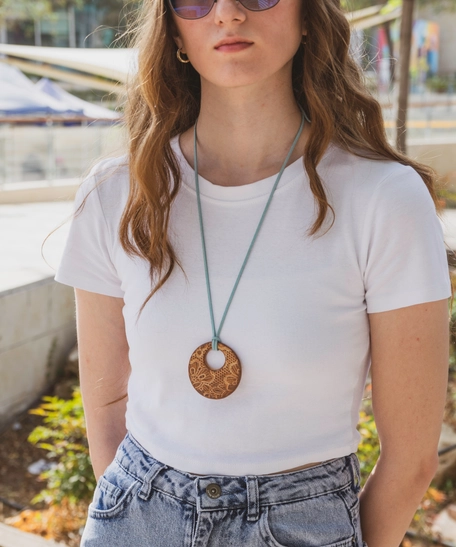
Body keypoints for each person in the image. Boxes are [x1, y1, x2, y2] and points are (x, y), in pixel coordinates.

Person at [53, 0, 452, 545]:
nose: (227, 13)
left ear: (309, 15)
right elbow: (104, 410)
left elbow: (412, 460)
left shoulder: (382, 199)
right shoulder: (116, 194)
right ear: (172, 28)